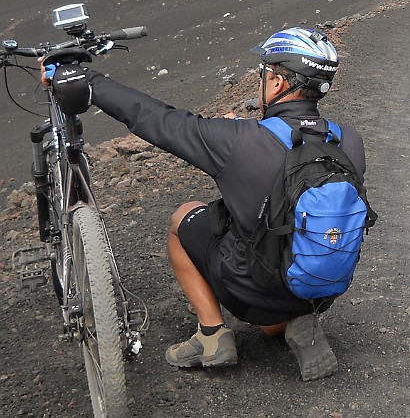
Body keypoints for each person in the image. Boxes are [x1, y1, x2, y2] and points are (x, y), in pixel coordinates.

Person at [47, 26, 366, 381]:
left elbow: (156, 119)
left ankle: (213, 336)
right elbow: (285, 166)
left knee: (182, 217)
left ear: (277, 83)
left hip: (253, 293)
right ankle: (295, 319)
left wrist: (90, 82)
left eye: (263, 74)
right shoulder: (349, 142)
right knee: (283, 225)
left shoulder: (236, 142)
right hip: (320, 289)